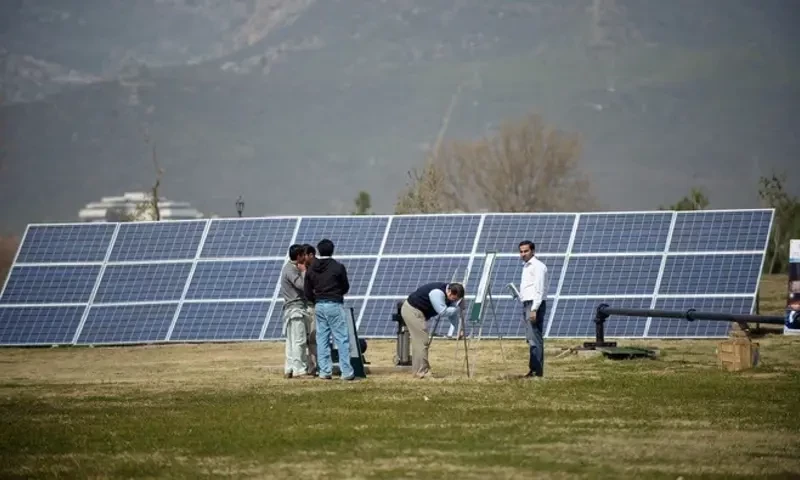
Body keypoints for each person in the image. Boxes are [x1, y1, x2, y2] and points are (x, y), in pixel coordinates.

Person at [303, 239, 355, 381]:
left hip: (319, 305)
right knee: (341, 338)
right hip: (334, 303)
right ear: (332, 250)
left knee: (322, 338)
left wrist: (316, 300)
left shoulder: (312, 268)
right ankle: (346, 371)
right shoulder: (338, 267)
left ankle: (325, 371)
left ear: (318, 251)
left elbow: (307, 290)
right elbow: (345, 287)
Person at [400, 282, 466, 378]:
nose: (454, 301)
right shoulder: (437, 293)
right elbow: (443, 312)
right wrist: (458, 308)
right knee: (421, 341)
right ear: (450, 292)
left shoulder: (449, 295)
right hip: (412, 311)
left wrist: (459, 329)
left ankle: (420, 370)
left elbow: (452, 315)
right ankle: (421, 372)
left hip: (418, 312)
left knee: (421, 341)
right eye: (454, 299)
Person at [280, 244, 315, 378]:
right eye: (303, 255)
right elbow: (302, 285)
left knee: (291, 342)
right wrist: (304, 271)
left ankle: (289, 368)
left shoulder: (288, 268)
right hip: (296, 309)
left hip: (291, 309)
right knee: (299, 340)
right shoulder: (291, 270)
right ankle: (299, 370)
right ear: (299, 256)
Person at [518, 240, 548, 377]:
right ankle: (533, 368)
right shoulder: (526, 267)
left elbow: (539, 289)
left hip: (534, 304)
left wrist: (534, 308)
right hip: (527, 303)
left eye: (526, 251)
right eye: (521, 251)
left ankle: (537, 371)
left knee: (535, 337)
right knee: (530, 338)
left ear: (533, 251)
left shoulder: (538, 266)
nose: (523, 254)